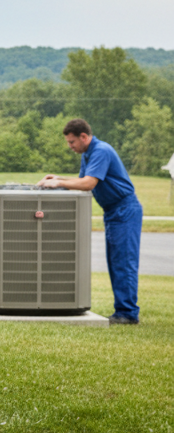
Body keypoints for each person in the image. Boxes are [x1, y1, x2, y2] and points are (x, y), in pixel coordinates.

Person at [38, 119, 142, 325]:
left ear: (83, 137)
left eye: (72, 142)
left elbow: (88, 183)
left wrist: (57, 182)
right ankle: (122, 310)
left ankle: (128, 313)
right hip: (113, 212)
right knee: (115, 262)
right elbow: (81, 181)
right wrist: (59, 178)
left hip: (125, 209)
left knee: (124, 262)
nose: (70, 146)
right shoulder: (88, 154)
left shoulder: (101, 150)